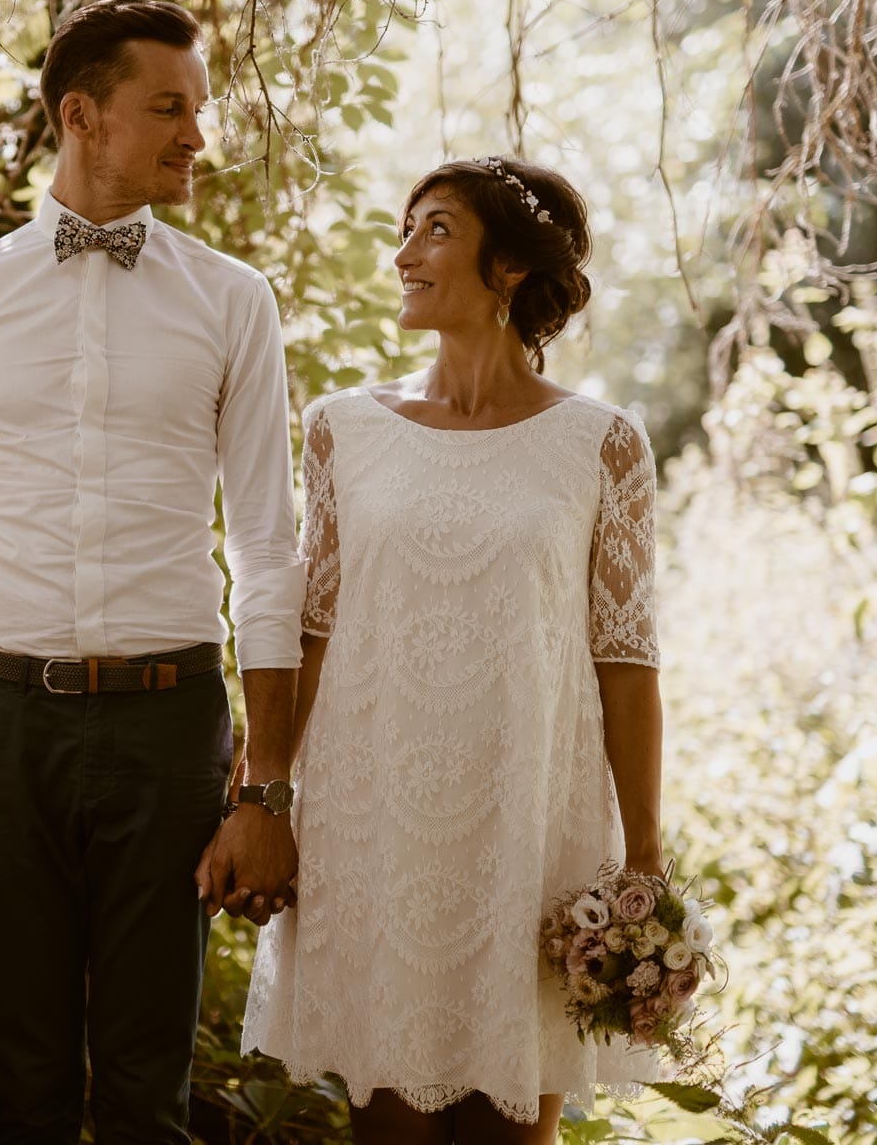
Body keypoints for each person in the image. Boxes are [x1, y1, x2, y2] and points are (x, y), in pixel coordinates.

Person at [0, 0, 305, 1143]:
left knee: (152, 1089)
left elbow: (266, 547)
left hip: (167, 726)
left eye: (195, 110)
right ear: (81, 115)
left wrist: (261, 787)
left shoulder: (233, 302)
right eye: (168, 108)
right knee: (25, 1079)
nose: (194, 136)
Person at [238, 155, 667, 1141]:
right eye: (405, 228)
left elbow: (626, 655)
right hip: (372, 828)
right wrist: (262, 796)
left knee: (512, 1128)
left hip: (531, 831)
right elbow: (309, 632)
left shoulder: (601, 443)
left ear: (509, 267)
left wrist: (639, 851)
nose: (402, 254)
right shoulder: (340, 429)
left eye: (434, 229)